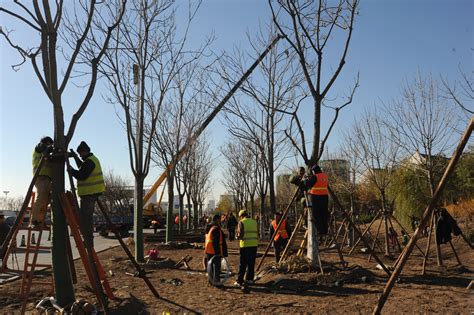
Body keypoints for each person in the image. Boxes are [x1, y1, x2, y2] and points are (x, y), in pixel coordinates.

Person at [67, 141, 105, 249]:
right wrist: (75, 157)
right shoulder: (91, 160)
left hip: (89, 194)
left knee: (86, 219)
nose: (80, 156)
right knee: (85, 219)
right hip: (91, 193)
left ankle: (88, 242)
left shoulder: (89, 162)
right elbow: (81, 166)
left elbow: (82, 175)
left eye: (80, 154)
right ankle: (87, 241)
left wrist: (72, 171)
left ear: (85, 152)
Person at [31, 136, 54, 228]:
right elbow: (44, 148)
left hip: (47, 178)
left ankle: (40, 220)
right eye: (50, 144)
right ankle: (35, 220)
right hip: (40, 177)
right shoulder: (39, 147)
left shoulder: (47, 152)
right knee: (41, 198)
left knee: (48, 199)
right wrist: (52, 148)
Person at [301, 165, 329, 235]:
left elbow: (308, 184)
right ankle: (325, 230)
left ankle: (319, 230)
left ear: (314, 171)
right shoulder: (325, 176)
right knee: (324, 214)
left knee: (316, 214)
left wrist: (305, 180)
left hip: (316, 197)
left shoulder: (315, 176)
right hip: (325, 197)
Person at [235, 209, 258, 287]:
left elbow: (240, 234)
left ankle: (239, 281)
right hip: (254, 245)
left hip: (245, 245)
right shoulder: (254, 222)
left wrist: (237, 236)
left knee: (243, 264)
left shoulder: (241, 222)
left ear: (241, 216)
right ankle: (249, 279)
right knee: (251, 264)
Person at [205, 214, 228, 288]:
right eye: (220, 219)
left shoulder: (209, 227)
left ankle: (211, 280)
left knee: (210, 266)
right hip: (215, 251)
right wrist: (218, 252)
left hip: (209, 250)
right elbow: (215, 241)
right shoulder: (215, 228)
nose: (221, 221)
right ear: (217, 219)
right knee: (216, 267)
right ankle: (216, 282)